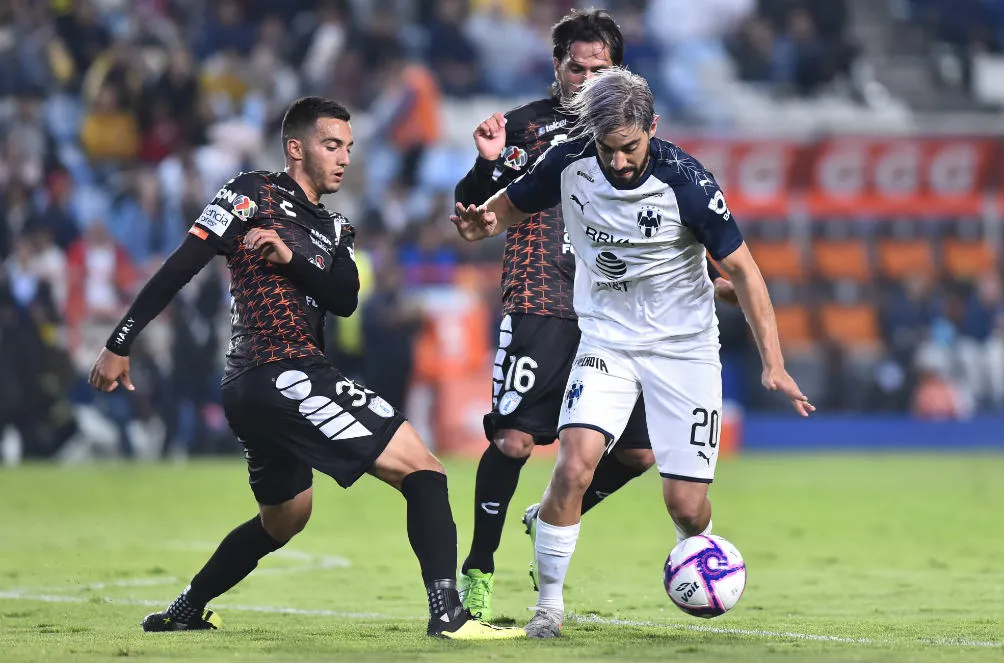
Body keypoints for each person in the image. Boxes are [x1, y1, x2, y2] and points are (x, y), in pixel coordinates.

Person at [88, 97, 523, 641]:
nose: (343, 158)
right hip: (280, 370)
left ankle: (185, 609)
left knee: (284, 518)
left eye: (348, 147)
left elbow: (344, 297)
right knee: (426, 471)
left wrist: (289, 258)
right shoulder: (252, 193)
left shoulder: (337, 227)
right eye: (331, 145)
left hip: (259, 388)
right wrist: (119, 341)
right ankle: (449, 616)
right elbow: (183, 262)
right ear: (296, 148)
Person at [451, 68, 814, 638]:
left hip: (685, 349)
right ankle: (548, 608)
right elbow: (505, 210)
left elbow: (744, 271)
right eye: (607, 149)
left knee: (687, 507)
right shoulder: (569, 162)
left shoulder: (687, 183)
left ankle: (694, 559)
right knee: (572, 465)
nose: (618, 162)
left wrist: (774, 363)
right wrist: (481, 224)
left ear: (652, 127)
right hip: (606, 340)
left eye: (629, 148)